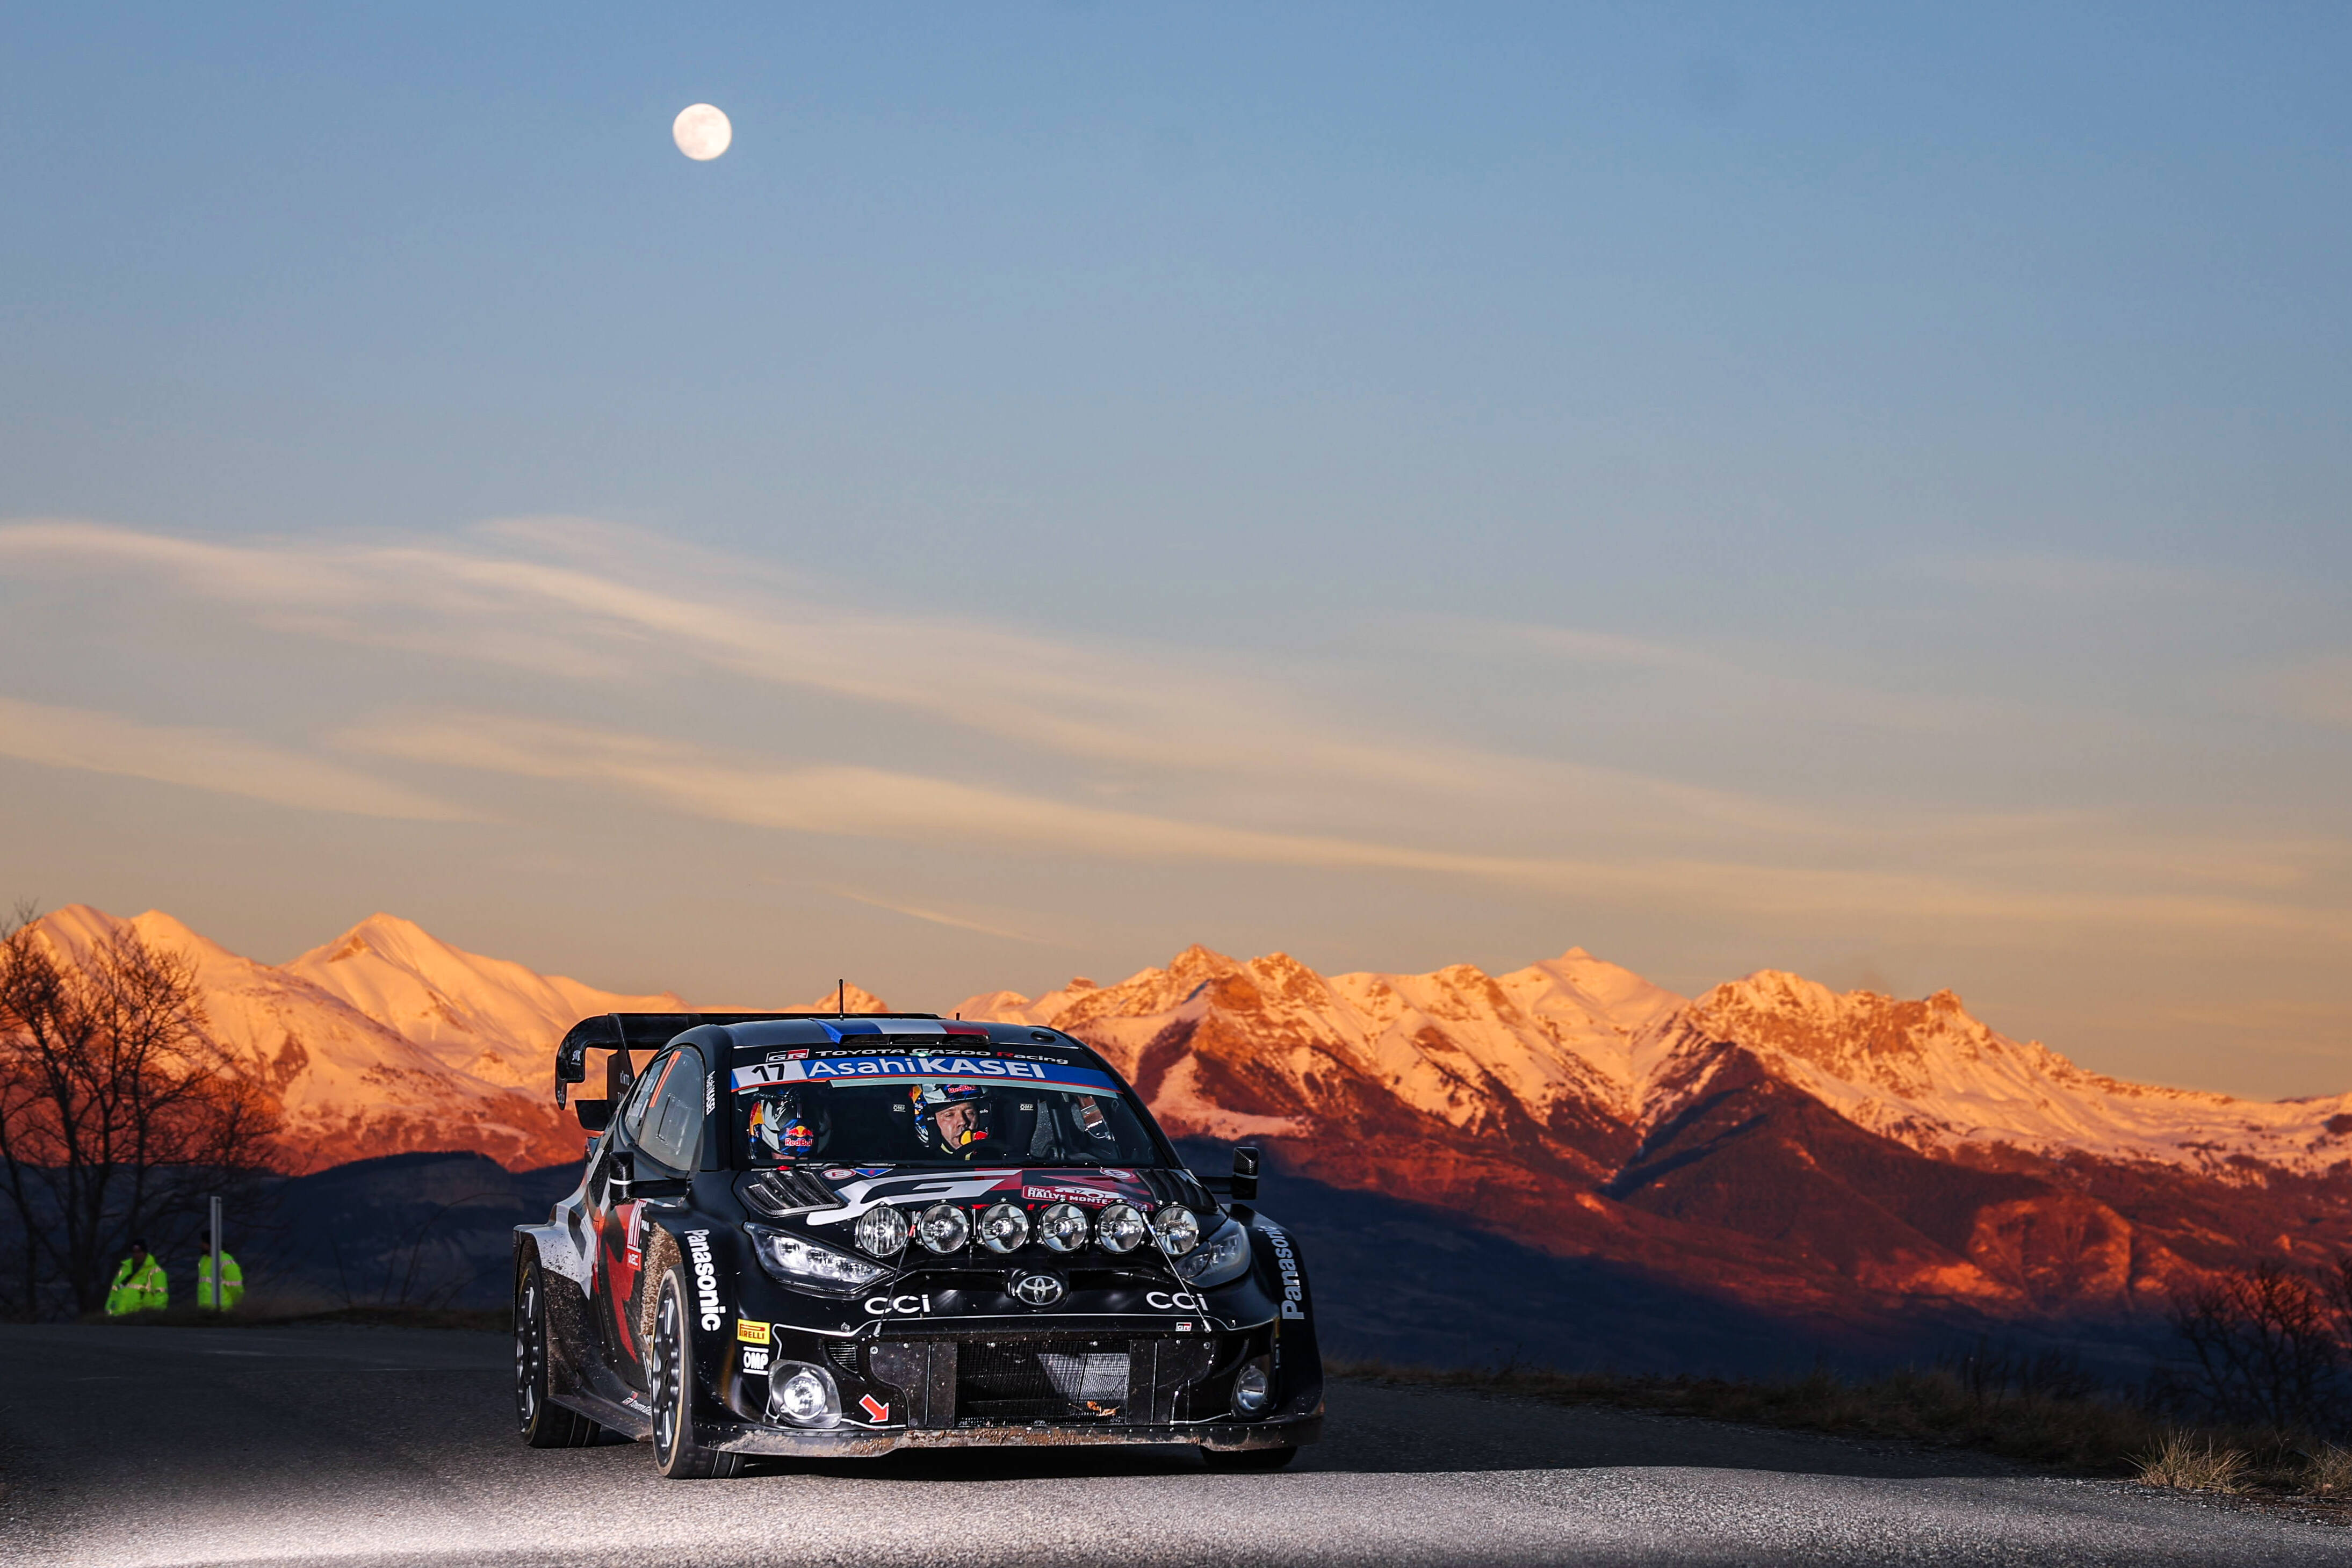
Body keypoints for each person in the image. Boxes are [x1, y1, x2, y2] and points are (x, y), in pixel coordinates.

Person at [914, 1082, 995, 1158]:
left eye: (970, 1113)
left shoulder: (1001, 1157)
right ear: (931, 1122)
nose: (963, 1122)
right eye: (949, 1115)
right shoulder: (912, 1165)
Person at [105, 1239, 167, 1316]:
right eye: (134, 1252)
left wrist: (154, 1316)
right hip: (118, 1318)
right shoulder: (124, 1270)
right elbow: (113, 1293)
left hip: (140, 1320)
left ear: (145, 1253)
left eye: (139, 1252)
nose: (136, 1255)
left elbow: (161, 1296)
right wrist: (109, 1313)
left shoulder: (155, 1271)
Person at [197, 1230, 243, 1310]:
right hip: (205, 1309)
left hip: (223, 1309)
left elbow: (236, 1287)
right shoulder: (203, 1260)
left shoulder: (225, 1260)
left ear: (210, 1243)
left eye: (203, 1242)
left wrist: (237, 1304)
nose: (201, 1245)